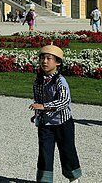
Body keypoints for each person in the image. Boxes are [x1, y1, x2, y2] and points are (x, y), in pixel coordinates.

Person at [28, 45, 82, 183]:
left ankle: (73, 177)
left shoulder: (60, 81)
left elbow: (64, 102)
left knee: (67, 150)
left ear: (57, 62)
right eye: (42, 58)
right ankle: (44, 180)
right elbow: (38, 99)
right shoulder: (38, 82)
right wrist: (38, 114)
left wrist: (44, 106)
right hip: (46, 123)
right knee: (45, 153)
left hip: (62, 122)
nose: (44, 62)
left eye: (49, 58)